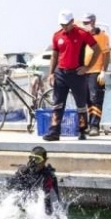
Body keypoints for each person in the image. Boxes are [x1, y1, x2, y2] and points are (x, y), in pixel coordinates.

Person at [42, 10, 101, 142]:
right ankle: (54, 132)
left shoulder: (82, 34)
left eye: (67, 24)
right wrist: (51, 73)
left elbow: (97, 50)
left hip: (77, 74)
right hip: (61, 73)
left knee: (81, 104)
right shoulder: (57, 36)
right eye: (62, 24)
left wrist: (87, 67)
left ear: (72, 22)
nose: (64, 27)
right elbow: (55, 55)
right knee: (57, 104)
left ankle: (82, 130)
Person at [81, 13, 111, 136]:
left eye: (87, 22)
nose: (85, 25)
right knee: (87, 99)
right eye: (84, 23)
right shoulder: (83, 36)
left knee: (96, 99)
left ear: (93, 22)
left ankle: (95, 126)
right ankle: (89, 124)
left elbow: (107, 54)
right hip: (84, 71)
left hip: (96, 71)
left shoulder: (102, 36)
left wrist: (103, 71)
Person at [6, 146, 61, 215]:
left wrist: (48, 215)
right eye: (32, 158)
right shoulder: (25, 171)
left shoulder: (48, 176)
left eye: (37, 159)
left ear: (45, 160)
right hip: (23, 203)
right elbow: (10, 187)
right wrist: (19, 175)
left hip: (36, 205)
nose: (34, 162)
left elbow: (48, 198)